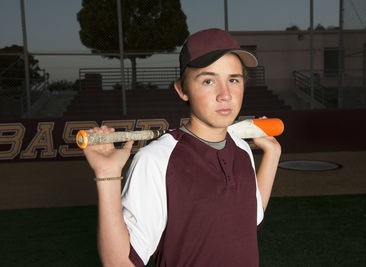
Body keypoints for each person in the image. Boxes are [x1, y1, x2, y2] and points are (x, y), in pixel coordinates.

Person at [83, 28, 281, 267]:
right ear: (182, 89)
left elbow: (249, 217)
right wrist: (108, 176)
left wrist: (272, 154)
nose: (225, 94)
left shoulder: (241, 148)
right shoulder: (156, 160)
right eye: (208, 80)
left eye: (233, 80)